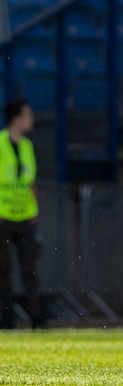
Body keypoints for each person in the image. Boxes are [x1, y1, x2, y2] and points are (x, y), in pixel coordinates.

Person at [0, 98, 44, 329]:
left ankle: (36, 317)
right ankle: (6, 318)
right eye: (28, 114)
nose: (32, 118)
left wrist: (35, 209)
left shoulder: (27, 146)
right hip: (3, 216)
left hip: (26, 216)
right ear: (16, 118)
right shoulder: (0, 144)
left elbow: (31, 182)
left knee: (30, 269)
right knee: (3, 270)